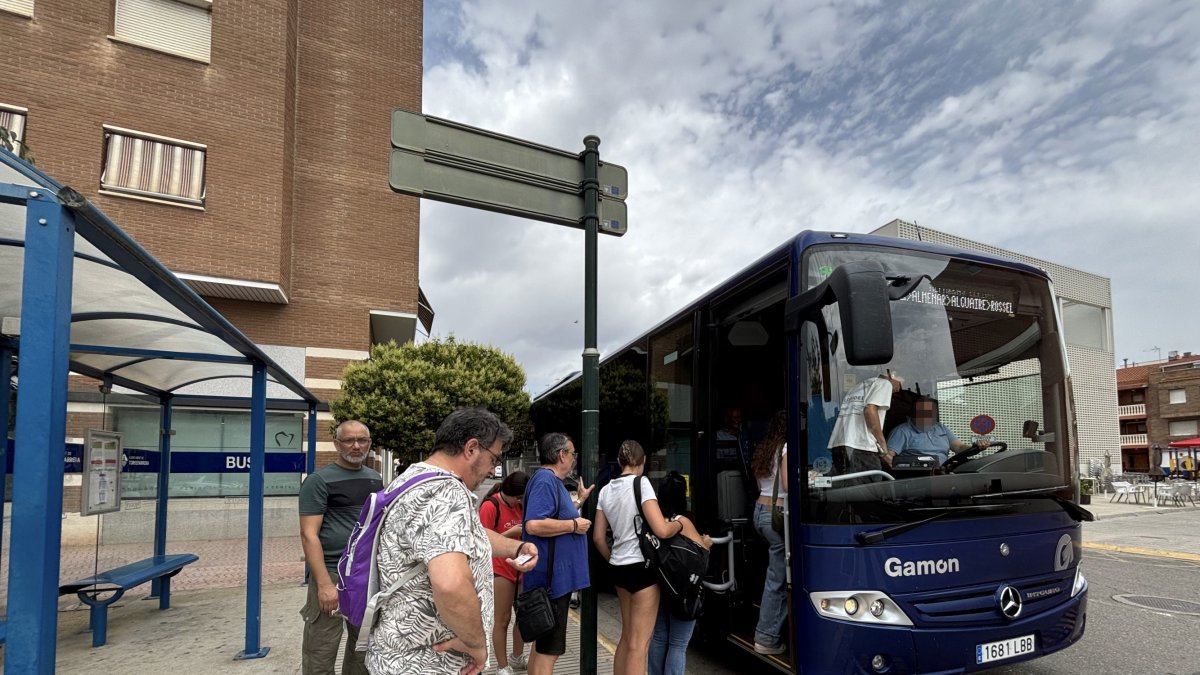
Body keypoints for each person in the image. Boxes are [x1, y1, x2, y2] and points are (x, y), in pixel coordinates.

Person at [366, 408, 538, 675]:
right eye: (494, 459)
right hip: (428, 664)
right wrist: (477, 644)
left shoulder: (413, 479)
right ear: (471, 449)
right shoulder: (445, 493)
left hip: (399, 656)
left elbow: (470, 536)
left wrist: (515, 547)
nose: (493, 470)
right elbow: (450, 583)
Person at [298, 420, 384, 675]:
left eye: (362, 440)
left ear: (369, 444)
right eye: (349, 440)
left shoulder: (375, 479)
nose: (356, 446)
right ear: (337, 444)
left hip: (365, 576)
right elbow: (308, 535)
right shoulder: (319, 481)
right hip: (333, 573)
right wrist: (324, 584)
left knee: (363, 646)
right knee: (322, 646)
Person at [593, 440, 684, 675]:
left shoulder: (605, 490)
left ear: (620, 462)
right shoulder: (641, 484)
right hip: (642, 568)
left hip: (619, 568)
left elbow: (598, 539)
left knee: (626, 636)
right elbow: (661, 530)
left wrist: (614, 558)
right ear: (642, 462)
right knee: (639, 645)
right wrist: (678, 524)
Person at [522, 433, 595, 675]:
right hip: (552, 583)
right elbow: (534, 524)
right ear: (561, 454)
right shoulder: (546, 480)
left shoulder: (549, 481)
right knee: (549, 653)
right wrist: (574, 526)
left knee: (541, 648)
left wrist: (578, 502)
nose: (574, 459)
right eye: (572, 453)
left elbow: (553, 516)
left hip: (551, 581)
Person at [647, 471, 712, 675]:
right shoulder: (682, 521)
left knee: (658, 637)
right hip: (683, 593)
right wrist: (707, 543)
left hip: (660, 587)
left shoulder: (655, 520)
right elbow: (701, 557)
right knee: (678, 644)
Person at [479, 471, 530, 675]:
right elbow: (482, 542)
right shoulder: (490, 506)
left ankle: (517, 657)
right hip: (500, 569)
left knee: (522, 616)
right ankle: (502, 665)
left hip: (521, 568)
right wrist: (511, 533)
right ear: (508, 492)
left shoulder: (519, 505)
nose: (519, 502)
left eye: (522, 498)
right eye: (517, 497)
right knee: (502, 619)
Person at [748, 411, 789, 656]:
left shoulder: (764, 448)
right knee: (778, 579)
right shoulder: (786, 448)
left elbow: (758, 484)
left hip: (760, 512)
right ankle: (766, 637)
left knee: (775, 573)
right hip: (777, 516)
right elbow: (786, 484)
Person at [828, 371, 904, 479]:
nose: (899, 389)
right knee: (872, 491)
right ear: (892, 374)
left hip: (840, 446)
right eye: (901, 383)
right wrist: (883, 445)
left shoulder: (857, 387)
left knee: (848, 490)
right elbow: (869, 411)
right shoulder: (885, 383)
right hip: (862, 448)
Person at [886, 397, 990, 465]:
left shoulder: (940, 428)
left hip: (942, 474)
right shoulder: (902, 431)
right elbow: (888, 458)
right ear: (914, 414)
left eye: (931, 414)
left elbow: (959, 447)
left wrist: (976, 447)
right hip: (917, 479)